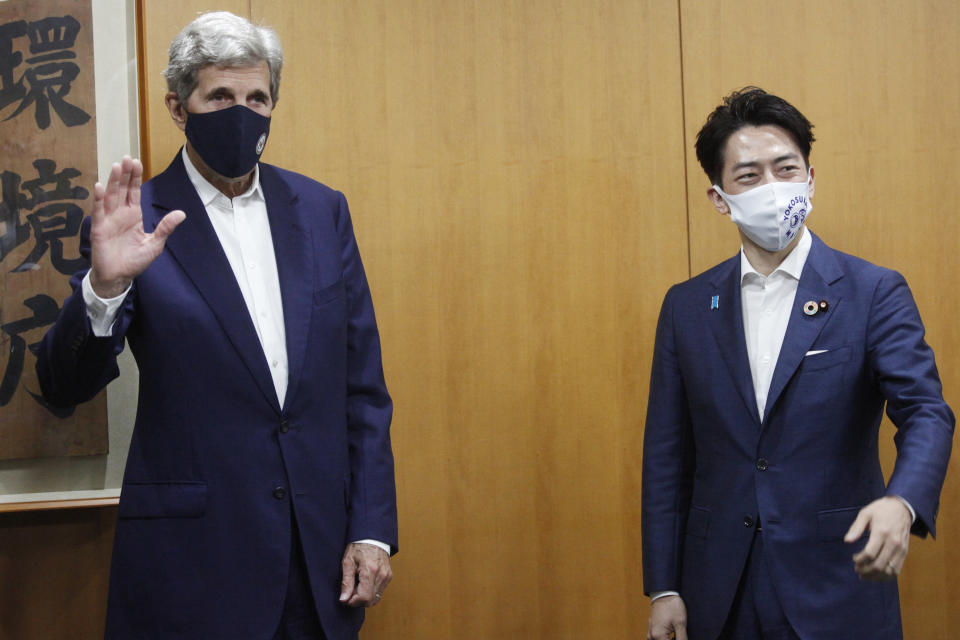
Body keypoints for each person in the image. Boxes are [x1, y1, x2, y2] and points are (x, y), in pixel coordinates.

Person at [36, 11, 396, 639]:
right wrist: (105, 287)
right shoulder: (135, 220)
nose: (242, 111)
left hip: (320, 569)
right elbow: (63, 387)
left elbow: (362, 390)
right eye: (221, 96)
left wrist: (370, 526)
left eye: (258, 97)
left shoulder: (320, 211)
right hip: (194, 569)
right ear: (179, 107)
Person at [641, 87, 954, 639]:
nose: (773, 187)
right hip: (719, 590)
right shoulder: (686, 306)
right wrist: (664, 586)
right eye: (749, 176)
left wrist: (902, 502)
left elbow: (926, 410)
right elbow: (667, 454)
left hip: (836, 581)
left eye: (786, 169)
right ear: (720, 199)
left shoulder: (872, 291)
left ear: (810, 179)